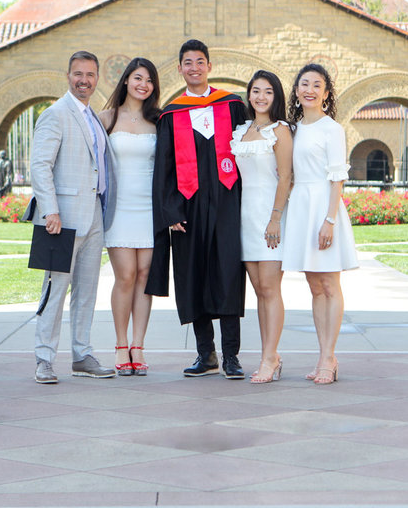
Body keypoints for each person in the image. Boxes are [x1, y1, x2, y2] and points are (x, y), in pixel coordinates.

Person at [148, 39, 249, 379]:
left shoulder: (233, 105)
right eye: (187, 63)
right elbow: (163, 168)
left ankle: (232, 356)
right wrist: (170, 211)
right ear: (180, 69)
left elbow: (249, 157)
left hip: (227, 204)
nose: (194, 67)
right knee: (194, 276)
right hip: (187, 207)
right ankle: (206, 354)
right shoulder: (170, 114)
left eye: (200, 61)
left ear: (209, 66)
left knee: (227, 275)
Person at [28, 51, 118, 384]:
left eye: (90, 74)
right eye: (78, 74)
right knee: (55, 288)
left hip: (94, 214)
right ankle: (44, 358)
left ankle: (82, 355)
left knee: (87, 290)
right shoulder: (56, 114)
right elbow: (40, 165)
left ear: (97, 78)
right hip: (61, 218)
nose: (84, 80)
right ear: (68, 76)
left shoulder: (91, 115)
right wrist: (50, 209)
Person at [282, 63, 358, 385]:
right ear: (297, 91)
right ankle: (322, 353)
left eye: (317, 85)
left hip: (324, 208)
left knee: (330, 285)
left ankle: (329, 356)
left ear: (326, 93)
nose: (309, 89)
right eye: (304, 84)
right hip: (301, 206)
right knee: (315, 287)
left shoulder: (332, 129)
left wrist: (329, 220)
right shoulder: (292, 128)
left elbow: (337, 177)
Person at [98, 57, 161, 375]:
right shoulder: (106, 118)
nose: (143, 84)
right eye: (138, 78)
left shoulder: (159, 120)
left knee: (145, 276)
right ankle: (121, 345)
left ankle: (139, 344)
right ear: (126, 80)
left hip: (150, 208)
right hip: (119, 208)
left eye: (149, 80)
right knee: (125, 276)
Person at [230, 70, 293, 384]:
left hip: (271, 218)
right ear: (249, 94)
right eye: (256, 91)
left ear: (276, 96)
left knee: (271, 289)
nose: (261, 97)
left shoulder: (280, 131)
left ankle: (270, 357)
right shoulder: (242, 130)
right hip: (245, 217)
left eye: (268, 92)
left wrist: (275, 218)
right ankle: (271, 355)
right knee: (259, 291)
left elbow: (286, 177)